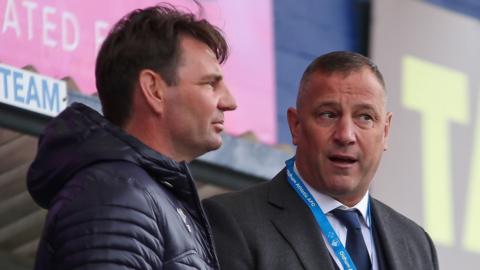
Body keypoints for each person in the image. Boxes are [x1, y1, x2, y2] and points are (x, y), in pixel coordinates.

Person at [27, 4, 236, 270]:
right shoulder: (116, 194)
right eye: (210, 83)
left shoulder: (142, 195)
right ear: (154, 90)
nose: (230, 102)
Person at [203, 51, 438, 270]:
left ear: (385, 131)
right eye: (329, 114)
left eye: (365, 117)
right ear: (296, 125)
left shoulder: (416, 244)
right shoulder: (232, 221)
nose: (345, 135)